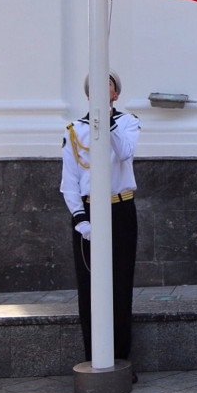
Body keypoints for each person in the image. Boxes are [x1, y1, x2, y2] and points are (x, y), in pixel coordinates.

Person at [61, 71, 141, 368]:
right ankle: (94, 359)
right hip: (89, 213)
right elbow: (69, 181)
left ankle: (120, 361)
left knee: (120, 286)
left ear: (115, 94)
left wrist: (106, 119)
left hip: (120, 210)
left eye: (106, 83)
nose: (100, 87)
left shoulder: (127, 123)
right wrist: (79, 218)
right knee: (90, 288)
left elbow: (125, 152)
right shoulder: (74, 130)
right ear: (87, 95)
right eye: (94, 84)